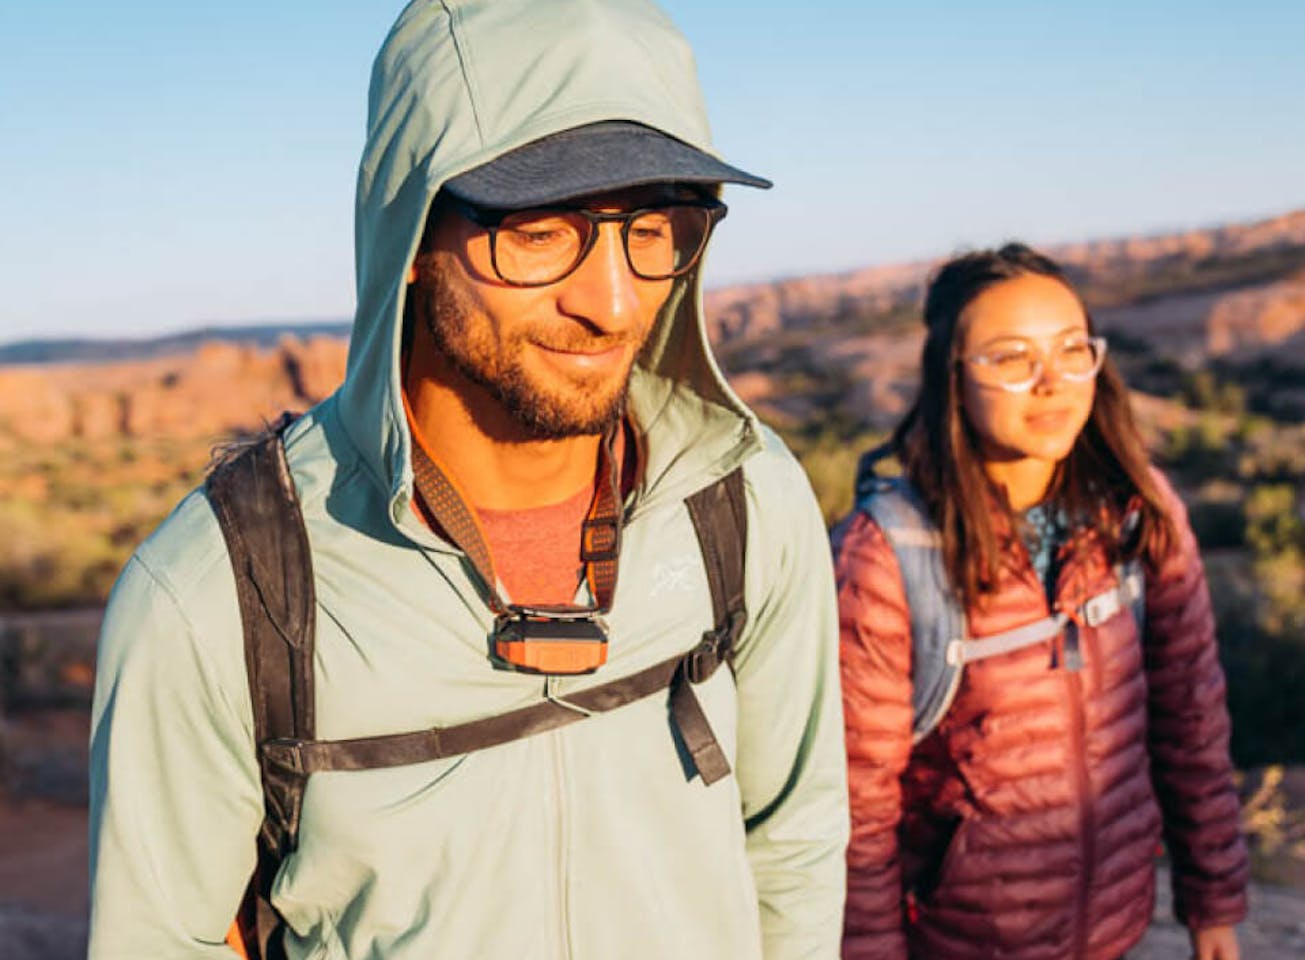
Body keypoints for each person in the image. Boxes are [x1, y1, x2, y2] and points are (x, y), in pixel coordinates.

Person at [87, 2, 848, 957]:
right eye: (538, 232)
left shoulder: (741, 496)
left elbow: (793, 842)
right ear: (404, 233)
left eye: (652, 228)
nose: (611, 302)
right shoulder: (218, 594)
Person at [834, 244, 1248, 960]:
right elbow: (856, 812)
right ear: (952, 379)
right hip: (956, 942)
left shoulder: (1134, 512)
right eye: (1010, 358)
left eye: (1070, 350)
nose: (1051, 383)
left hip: (1114, 928)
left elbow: (1190, 720)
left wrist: (1211, 903)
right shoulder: (888, 555)